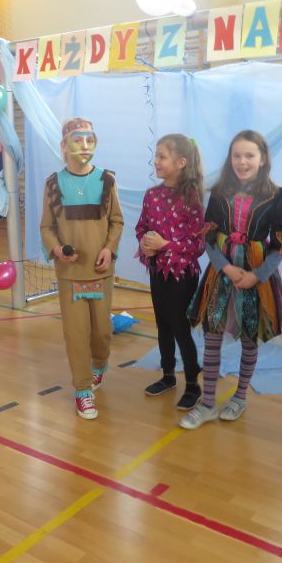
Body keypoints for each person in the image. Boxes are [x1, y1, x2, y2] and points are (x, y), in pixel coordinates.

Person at [184, 130, 282, 429]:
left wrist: (257, 276)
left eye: (249, 155)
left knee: (249, 336)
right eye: (237, 155)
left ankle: (240, 396)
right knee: (212, 334)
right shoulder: (220, 192)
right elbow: (209, 239)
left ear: (263, 159)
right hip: (222, 275)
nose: (242, 161)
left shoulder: (277, 195)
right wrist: (226, 269)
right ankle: (207, 403)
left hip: (256, 276)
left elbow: (280, 245)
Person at [40, 118, 124, 420]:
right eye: (78, 140)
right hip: (70, 275)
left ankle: (99, 364)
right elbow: (47, 227)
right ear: (64, 146)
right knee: (76, 334)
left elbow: (116, 221)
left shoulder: (107, 180)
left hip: (100, 272)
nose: (85, 146)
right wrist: (57, 250)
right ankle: (83, 389)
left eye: (90, 140)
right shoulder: (53, 183)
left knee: (101, 332)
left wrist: (109, 248)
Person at [135, 134, 205, 410]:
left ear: (181, 162)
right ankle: (167, 375)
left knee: (180, 327)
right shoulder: (152, 195)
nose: (156, 161)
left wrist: (165, 245)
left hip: (182, 275)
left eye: (162, 156)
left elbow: (198, 245)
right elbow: (142, 227)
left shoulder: (192, 198)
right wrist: (146, 245)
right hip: (159, 272)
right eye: (156, 155)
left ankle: (193, 384)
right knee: (162, 324)